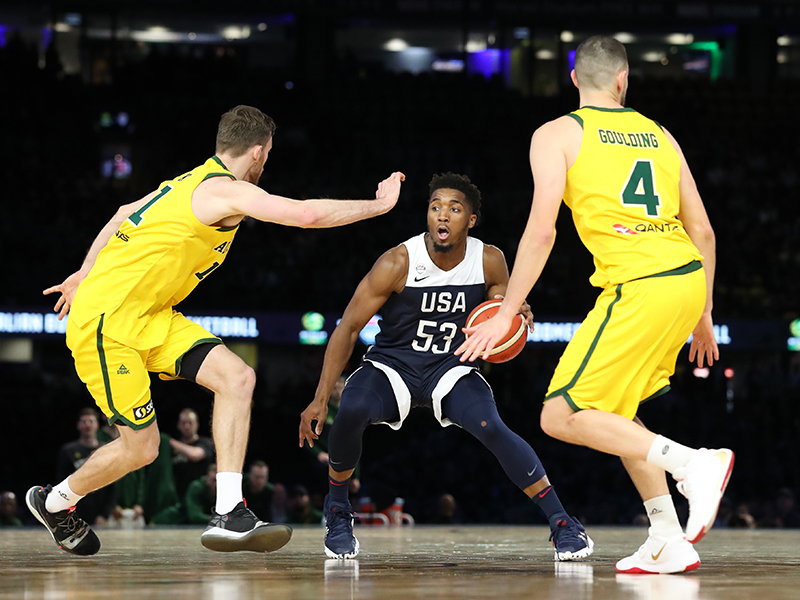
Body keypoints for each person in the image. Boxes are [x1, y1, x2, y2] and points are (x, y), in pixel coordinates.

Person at [29, 104, 405, 556]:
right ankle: (56, 501)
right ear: (257, 152)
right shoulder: (224, 191)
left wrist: (82, 271)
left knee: (238, 377)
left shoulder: (183, 182)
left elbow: (122, 212)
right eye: (267, 157)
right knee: (143, 448)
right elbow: (305, 215)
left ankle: (229, 511)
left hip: (151, 316)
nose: (265, 165)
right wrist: (380, 205)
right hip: (107, 324)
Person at [456, 36, 734, 574]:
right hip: (686, 280)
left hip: (640, 282)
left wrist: (510, 309)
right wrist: (704, 312)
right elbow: (703, 229)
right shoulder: (659, 132)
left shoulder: (557, 133)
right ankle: (666, 537)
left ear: (574, 77)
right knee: (614, 413)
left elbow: (541, 232)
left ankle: (694, 464)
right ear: (625, 80)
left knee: (561, 414)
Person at [300, 172, 593, 560]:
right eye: (435, 206)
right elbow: (348, 328)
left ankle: (562, 522)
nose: (442, 215)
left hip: (449, 370)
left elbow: (500, 302)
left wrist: (514, 309)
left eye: (454, 209)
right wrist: (320, 398)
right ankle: (338, 509)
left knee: (492, 426)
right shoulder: (397, 261)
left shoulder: (488, 259)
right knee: (351, 408)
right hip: (393, 367)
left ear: (470, 220)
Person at [55, 408, 114, 526]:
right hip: (76, 512)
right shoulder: (68, 451)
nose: (87, 425)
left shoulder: (106, 450)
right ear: (78, 425)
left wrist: (105, 514)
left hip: (99, 514)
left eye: (91, 421)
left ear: (97, 425)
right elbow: (61, 481)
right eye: (84, 421)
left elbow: (112, 486)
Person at [171, 408, 215, 499]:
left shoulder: (205, 443)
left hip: (200, 496)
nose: (187, 426)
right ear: (178, 425)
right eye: (183, 423)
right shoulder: (172, 449)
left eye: (190, 423)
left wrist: (169, 441)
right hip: (178, 496)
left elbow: (196, 455)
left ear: (197, 425)